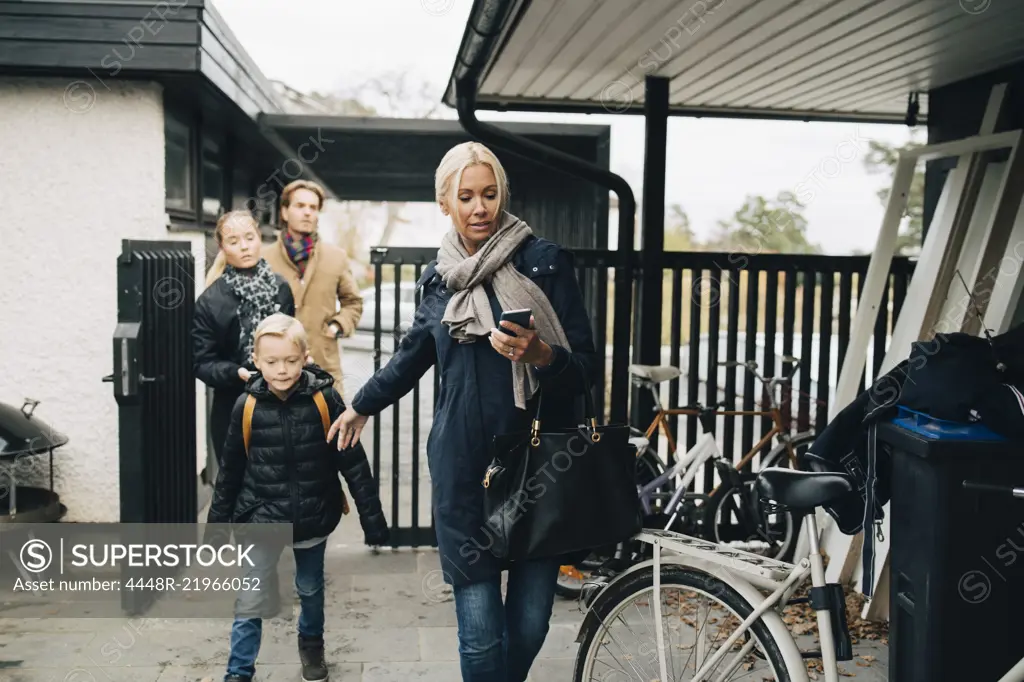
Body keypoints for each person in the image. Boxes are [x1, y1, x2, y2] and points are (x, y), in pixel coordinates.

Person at [326, 142, 599, 682]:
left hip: (537, 466)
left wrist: (541, 354)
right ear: (445, 203)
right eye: (467, 196)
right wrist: (361, 405)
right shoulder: (439, 280)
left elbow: (587, 367)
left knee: (529, 624)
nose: (481, 207)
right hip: (464, 469)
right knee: (479, 636)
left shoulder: (545, 264)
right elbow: (410, 358)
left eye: (490, 194)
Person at [207, 312, 389, 682]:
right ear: (256, 361)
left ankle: (311, 647)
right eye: (271, 362)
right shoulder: (246, 407)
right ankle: (238, 670)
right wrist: (216, 527)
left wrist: (373, 520)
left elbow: (353, 462)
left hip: (314, 513)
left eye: (291, 360)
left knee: (310, 589)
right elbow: (230, 470)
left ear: (305, 356)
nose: (282, 370)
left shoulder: (325, 401)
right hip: (261, 517)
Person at [206, 180, 364, 398]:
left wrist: (337, 326)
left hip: (322, 367)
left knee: (328, 430)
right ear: (285, 211)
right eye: (300, 206)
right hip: (275, 376)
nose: (307, 213)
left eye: (313, 207)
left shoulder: (336, 257)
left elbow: (353, 302)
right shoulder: (261, 257)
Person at [193, 210, 295, 466]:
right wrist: (236, 372)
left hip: (283, 403)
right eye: (234, 241)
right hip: (234, 408)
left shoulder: (281, 288)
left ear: (259, 237)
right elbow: (201, 362)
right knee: (238, 491)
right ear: (222, 247)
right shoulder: (210, 300)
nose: (244, 247)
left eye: (249, 237)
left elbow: (293, 339)